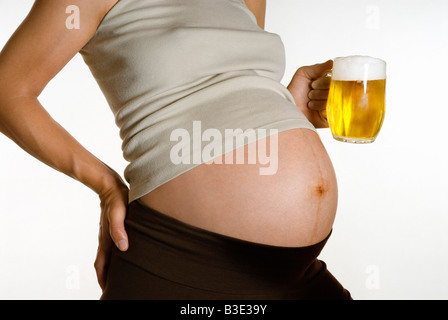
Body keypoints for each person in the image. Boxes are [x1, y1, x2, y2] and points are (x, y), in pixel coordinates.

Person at [0, 0, 351, 299]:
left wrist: (287, 109)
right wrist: (107, 186)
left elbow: (223, 92)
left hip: (292, 270)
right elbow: (7, 92)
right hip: (182, 257)